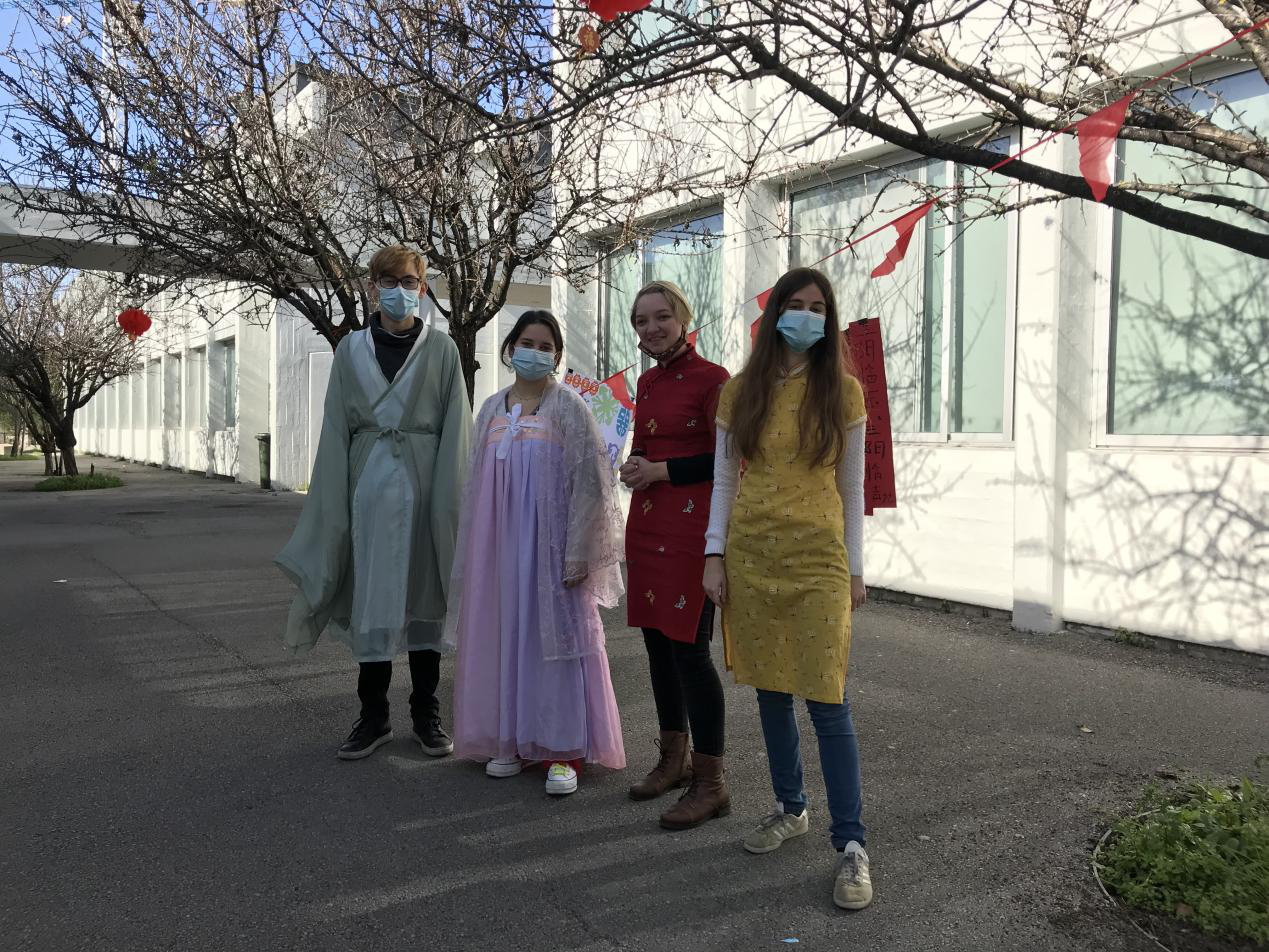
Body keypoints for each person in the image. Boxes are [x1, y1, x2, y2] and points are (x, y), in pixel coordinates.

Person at [702, 267, 873, 910]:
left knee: (828, 699)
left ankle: (851, 844)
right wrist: (713, 555)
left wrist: (855, 569)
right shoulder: (740, 391)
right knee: (772, 691)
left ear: (830, 319)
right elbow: (724, 481)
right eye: (795, 305)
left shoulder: (844, 392)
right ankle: (790, 807)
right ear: (774, 313)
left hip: (819, 559)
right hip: (751, 554)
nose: (806, 316)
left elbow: (852, 489)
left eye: (817, 307)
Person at [275, 244, 472, 761]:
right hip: (367, 496)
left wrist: (452, 503)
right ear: (372, 287)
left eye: (409, 282)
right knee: (372, 599)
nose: (399, 290)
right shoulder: (350, 350)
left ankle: (426, 713)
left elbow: (457, 431)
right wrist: (333, 503)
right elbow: (335, 430)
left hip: (426, 493)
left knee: (426, 601)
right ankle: (374, 714)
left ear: (422, 289)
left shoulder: (443, 350)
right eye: (389, 281)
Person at [447, 310, 626, 796]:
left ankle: (563, 749)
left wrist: (579, 550)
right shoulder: (491, 408)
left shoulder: (569, 406)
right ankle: (509, 738)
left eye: (546, 346)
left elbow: (592, 483)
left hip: (550, 548)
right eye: (527, 343)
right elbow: (475, 484)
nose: (536, 352)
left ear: (557, 356)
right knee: (505, 636)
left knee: (556, 643)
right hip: (499, 548)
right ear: (510, 348)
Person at [619, 280, 731, 829]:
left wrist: (660, 470)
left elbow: (726, 460)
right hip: (646, 523)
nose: (652, 327)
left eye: (661, 316)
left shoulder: (715, 380)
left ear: (683, 318)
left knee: (690, 653)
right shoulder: (645, 382)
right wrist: (635, 464)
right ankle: (673, 761)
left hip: (692, 529)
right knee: (657, 649)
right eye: (642, 320)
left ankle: (712, 782)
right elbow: (645, 444)